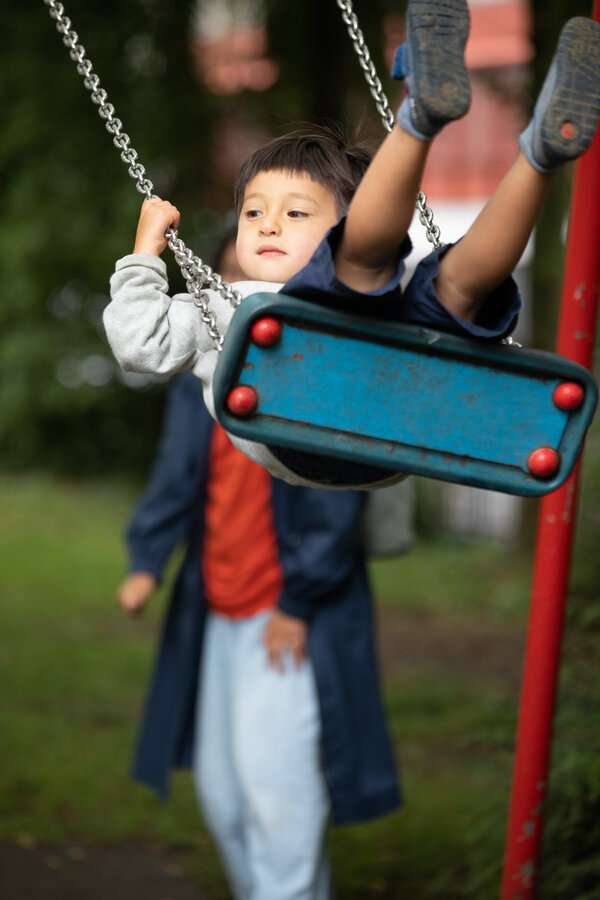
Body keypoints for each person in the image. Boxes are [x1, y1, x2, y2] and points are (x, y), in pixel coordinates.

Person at [104, 2, 600, 492]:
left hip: (385, 419)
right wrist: (146, 254)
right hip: (311, 431)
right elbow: (138, 347)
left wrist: (145, 255)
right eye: (253, 213)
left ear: (352, 220)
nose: (267, 226)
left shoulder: (351, 286)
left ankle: (539, 154)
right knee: (388, 278)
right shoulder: (215, 304)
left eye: (295, 214)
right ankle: (446, 126)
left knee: (452, 286)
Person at [116, 231, 400, 900]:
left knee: (279, 797)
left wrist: (299, 602)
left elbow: (337, 499)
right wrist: (148, 559)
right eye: (223, 284)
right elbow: (177, 475)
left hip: (287, 613)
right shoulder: (202, 371)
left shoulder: (313, 364)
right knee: (223, 793)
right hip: (217, 603)